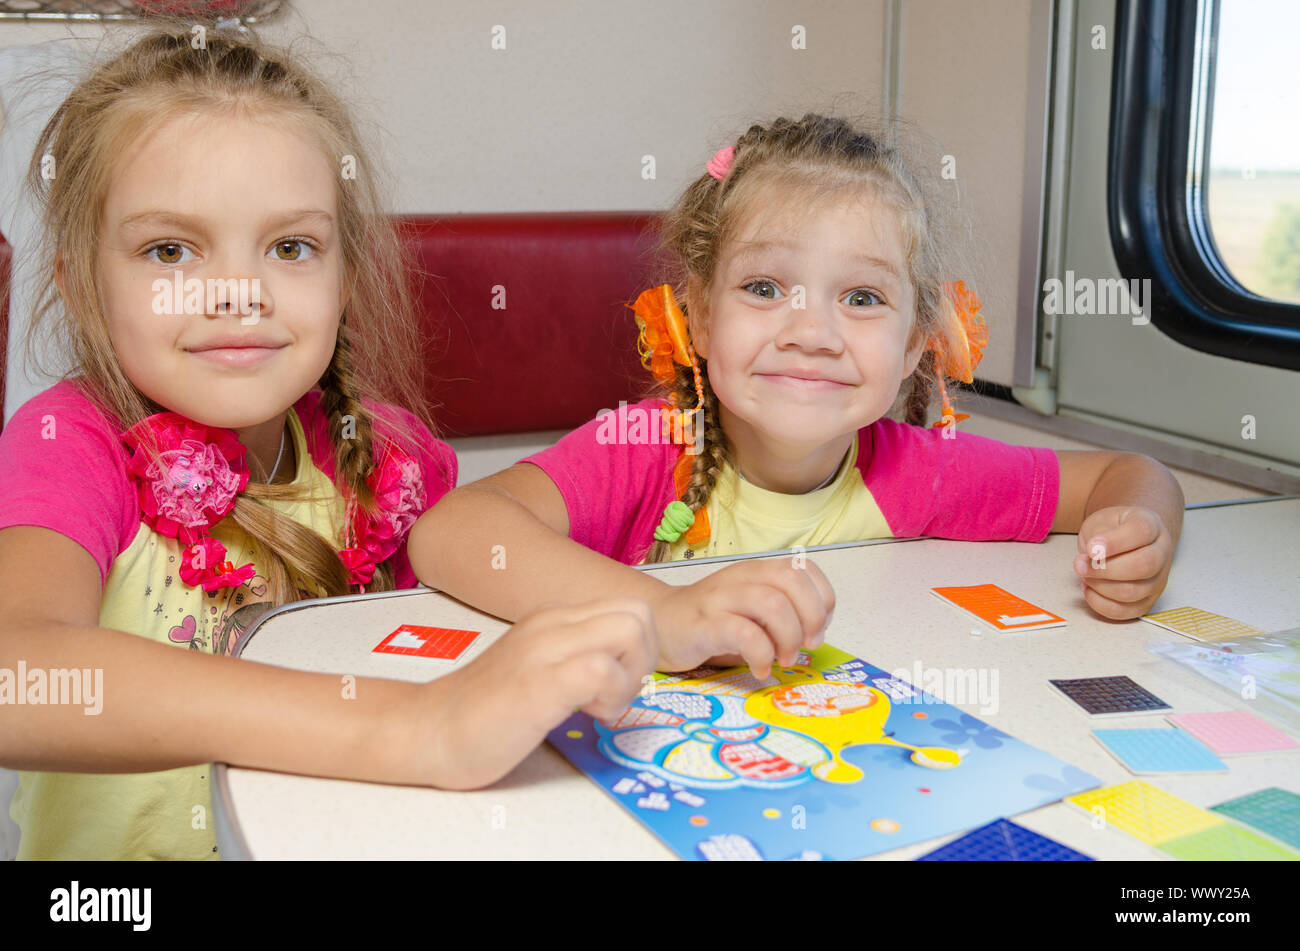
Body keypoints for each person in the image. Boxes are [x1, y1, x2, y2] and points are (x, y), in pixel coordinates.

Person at [0, 25, 655, 860]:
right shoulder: (71, 442)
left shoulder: (391, 455)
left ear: (343, 277)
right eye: (170, 249)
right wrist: (413, 727)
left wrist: (659, 613)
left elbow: (461, 625)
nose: (240, 292)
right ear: (79, 283)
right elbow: (18, 677)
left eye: (289, 246)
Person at [412, 113, 1183, 677]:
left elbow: (1126, 474)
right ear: (700, 318)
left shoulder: (921, 470)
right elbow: (451, 532)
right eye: (764, 287)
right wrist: (666, 613)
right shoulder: (649, 450)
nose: (811, 331)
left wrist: (1143, 528)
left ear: (917, 344)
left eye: (861, 298)